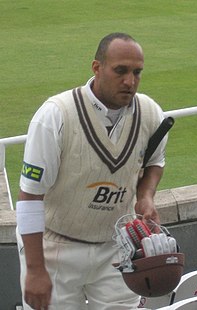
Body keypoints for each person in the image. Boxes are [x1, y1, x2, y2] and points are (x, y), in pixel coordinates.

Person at [16, 32, 168, 310]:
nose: (130, 81)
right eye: (120, 70)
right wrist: (35, 269)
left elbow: (154, 161)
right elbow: (30, 197)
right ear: (97, 68)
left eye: (137, 72)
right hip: (55, 247)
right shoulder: (55, 115)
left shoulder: (151, 113)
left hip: (116, 248)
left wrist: (146, 196)